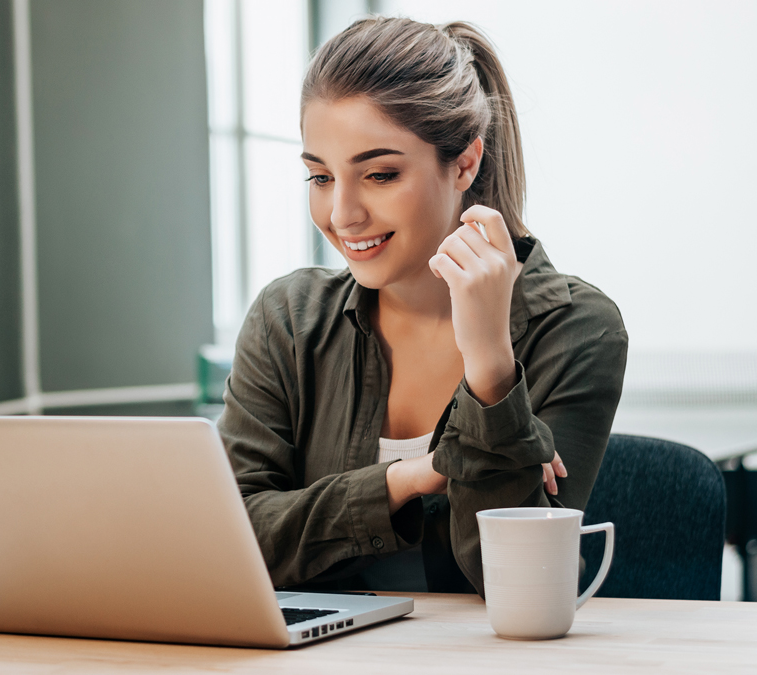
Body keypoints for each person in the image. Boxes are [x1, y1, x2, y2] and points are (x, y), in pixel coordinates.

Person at [218, 16, 628, 595]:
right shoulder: (287, 320)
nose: (341, 215)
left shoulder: (577, 328)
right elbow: (231, 540)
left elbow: (521, 583)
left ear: (464, 163)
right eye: (320, 177)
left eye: (380, 174)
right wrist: (411, 477)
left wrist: (491, 367)